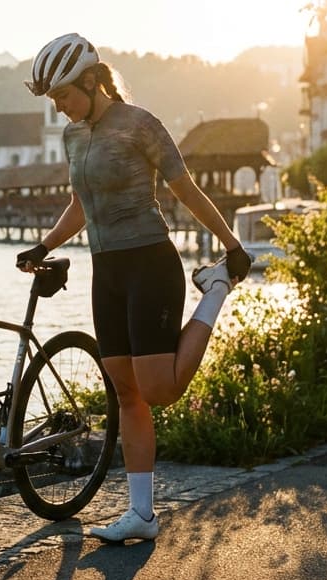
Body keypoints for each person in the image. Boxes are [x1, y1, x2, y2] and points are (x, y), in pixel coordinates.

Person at [16, 33, 252, 544]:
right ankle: (141, 515)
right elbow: (80, 205)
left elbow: (184, 189)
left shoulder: (140, 124)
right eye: (54, 101)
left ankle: (214, 290)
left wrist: (230, 245)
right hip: (107, 271)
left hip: (150, 262)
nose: (60, 109)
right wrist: (43, 246)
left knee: (160, 388)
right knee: (125, 391)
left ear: (90, 80)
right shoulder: (73, 138)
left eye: (64, 96)